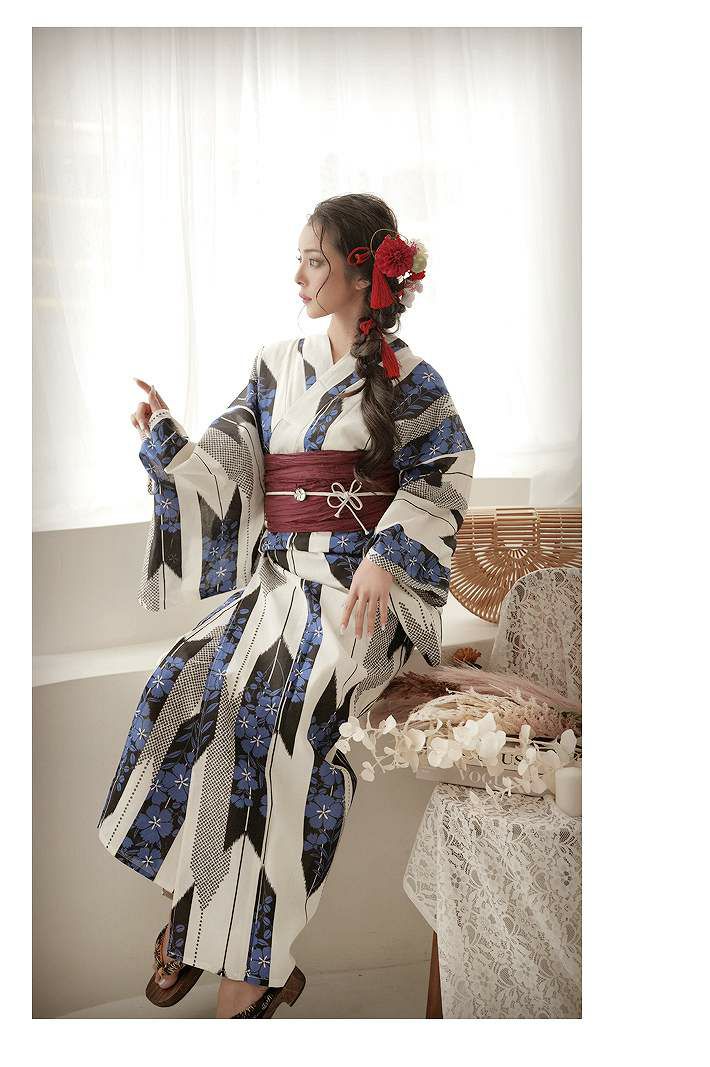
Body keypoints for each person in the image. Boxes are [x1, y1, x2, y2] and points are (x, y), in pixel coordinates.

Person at [96, 192, 476, 1018]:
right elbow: (226, 468)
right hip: (280, 584)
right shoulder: (275, 365)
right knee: (188, 685)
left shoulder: (411, 380)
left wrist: (385, 555)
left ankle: (251, 965)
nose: (299, 275)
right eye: (300, 259)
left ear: (362, 271)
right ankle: (209, 922)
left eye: (314, 260)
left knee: (289, 724)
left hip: (362, 602)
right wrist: (165, 436)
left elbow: (445, 472)